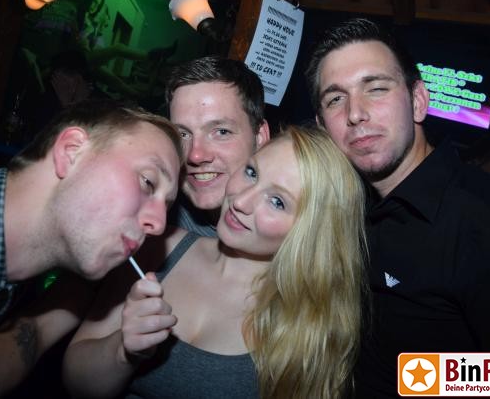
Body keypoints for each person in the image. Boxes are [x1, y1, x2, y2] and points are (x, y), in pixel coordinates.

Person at [304, 18, 490, 397]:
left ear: (418, 101)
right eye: (336, 99)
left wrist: (421, 379)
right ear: (323, 127)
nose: (355, 113)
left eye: (376, 88)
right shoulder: (344, 211)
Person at [62, 126, 368, 399]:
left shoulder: (306, 323)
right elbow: (76, 382)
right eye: (252, 172)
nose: (240, 201)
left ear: (309, 233)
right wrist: (123, 351)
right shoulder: (157, 249)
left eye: (277, 202)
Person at [0, 100, 183, 397]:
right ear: (71, 151)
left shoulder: (31, 276)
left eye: (167, 206)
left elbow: (33, 334)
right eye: (148, 182)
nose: (158, 224)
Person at [163, 56, 270, 237]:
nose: (195, 155)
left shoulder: (302, 235)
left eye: (221, 132)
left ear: (259, 137)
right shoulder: (157, 222)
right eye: (182, 135)